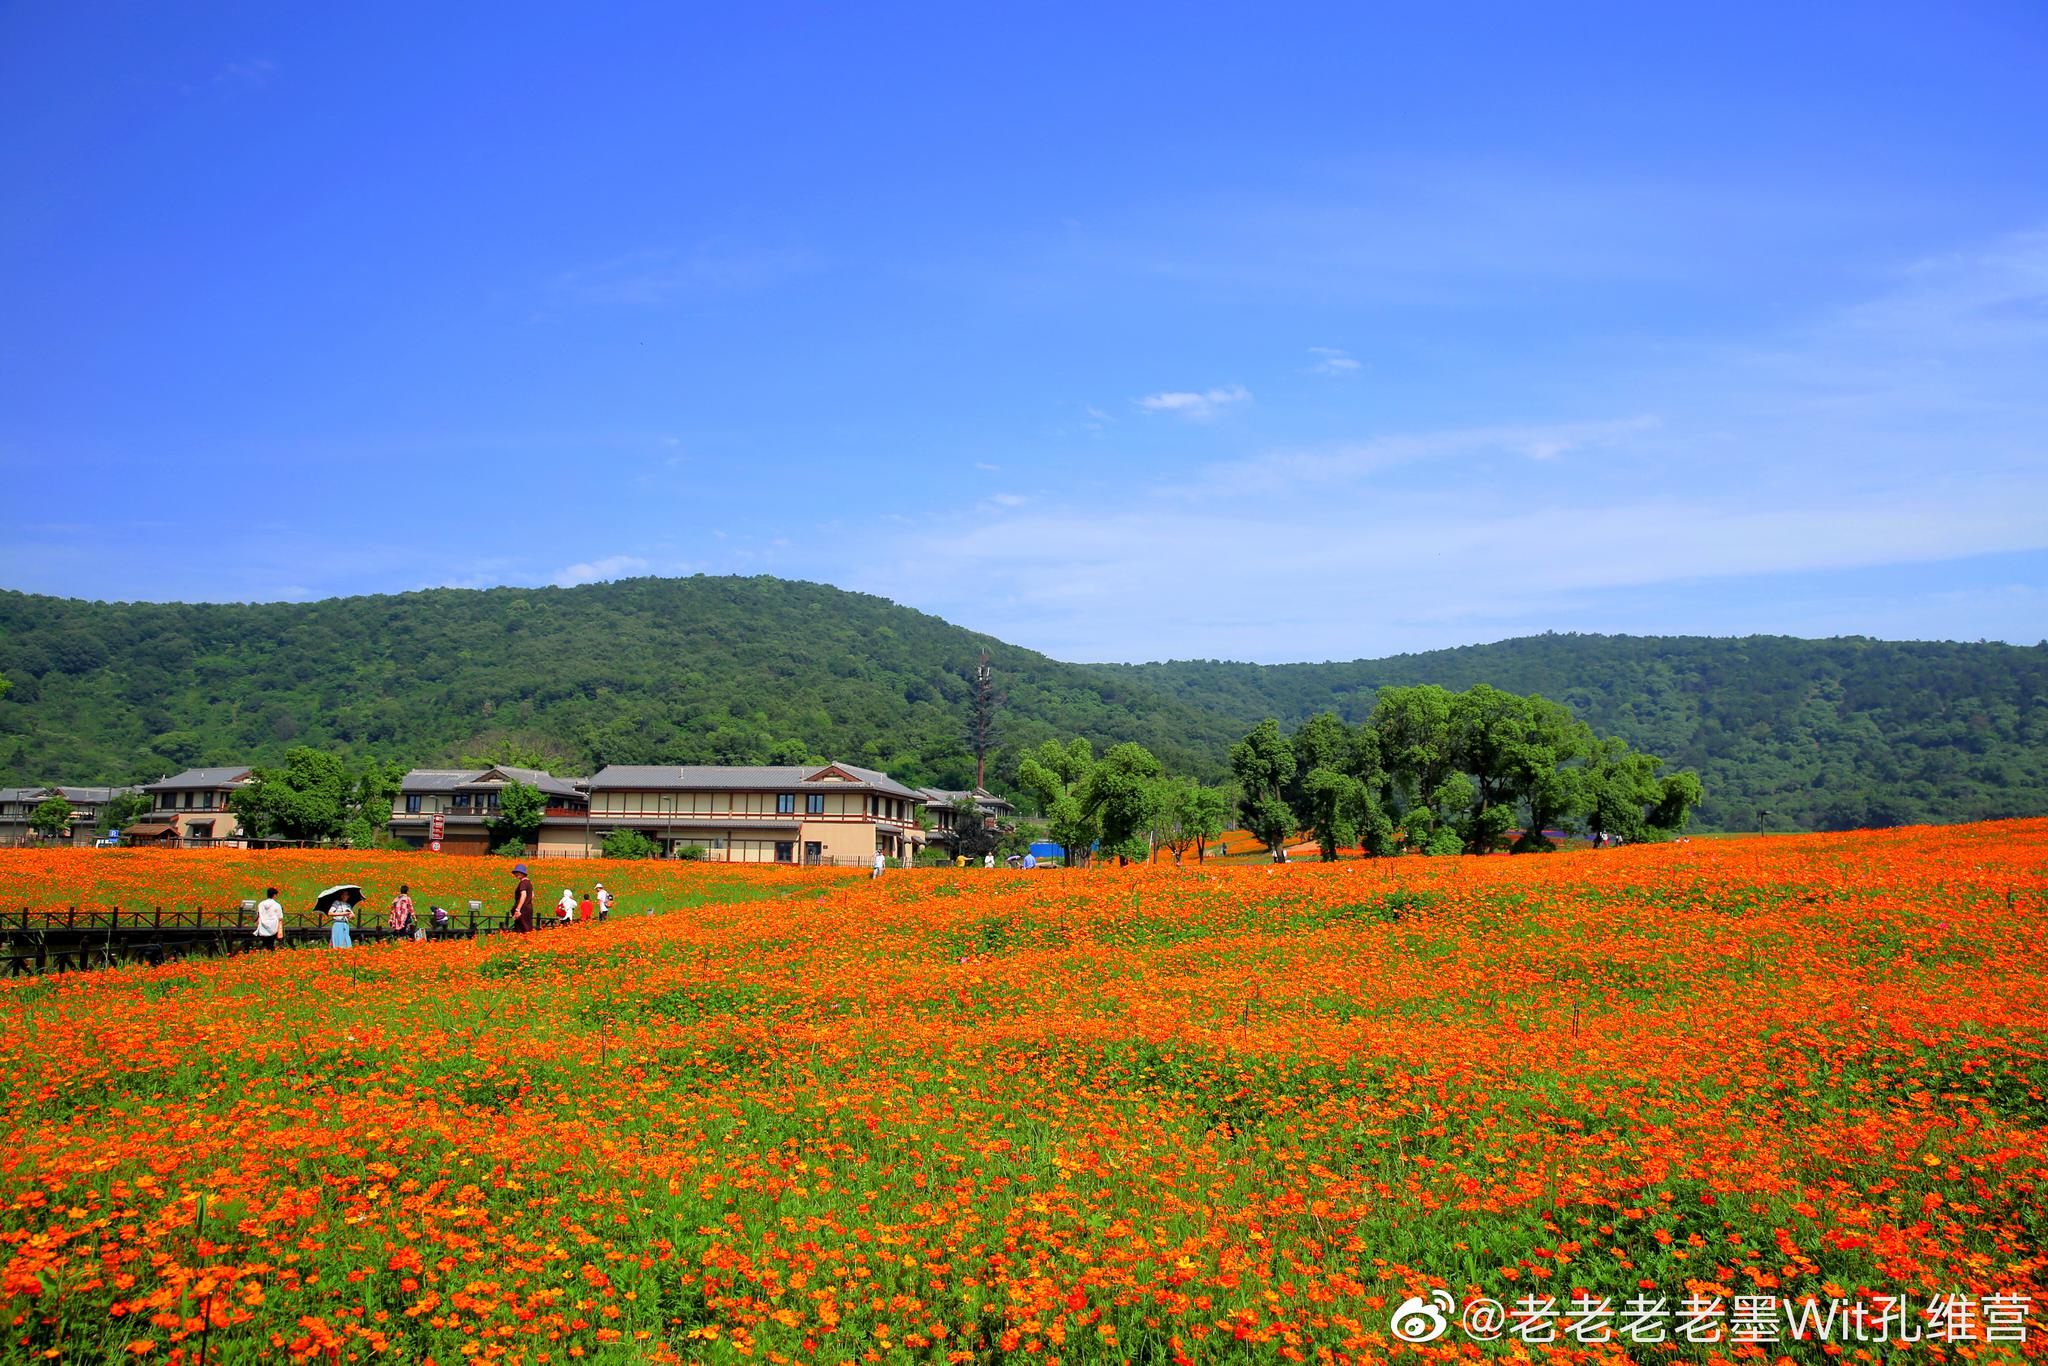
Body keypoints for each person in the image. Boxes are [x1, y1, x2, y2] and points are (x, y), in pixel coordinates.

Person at [510, 864, 534, 933]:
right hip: (528, 908)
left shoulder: (523, 883)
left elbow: (523, 895)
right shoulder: (529, 882)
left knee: (522, 929)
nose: (516, 874)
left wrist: (518, 909)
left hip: (522, 909)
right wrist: (528, 903)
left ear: (523, 873)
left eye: (518, 872)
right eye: (515, 872)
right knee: (527, 928)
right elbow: (532, 895)